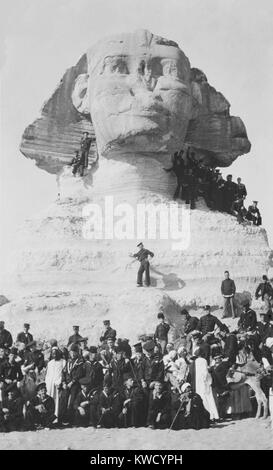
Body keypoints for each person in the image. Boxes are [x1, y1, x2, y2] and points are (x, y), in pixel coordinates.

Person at [189, 348, 219, 421]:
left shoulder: (192, 363)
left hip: (197, 384)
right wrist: (209, 381)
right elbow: (205, 373)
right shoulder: (203, 361)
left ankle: (205, 416)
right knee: (208, 398)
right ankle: (213, 416)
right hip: (204, 382)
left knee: (201, 398)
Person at [45, 347, 66, 422]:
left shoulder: (63, 362)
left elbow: (63, 373)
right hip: (49, 385)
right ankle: (48, 419)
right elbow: (47, 375)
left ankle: (56, 419)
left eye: (56, 353)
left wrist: (59, 381)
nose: (54, 355)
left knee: (56, 401)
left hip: (57, 384)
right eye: (53, 354)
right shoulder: (50, 363)